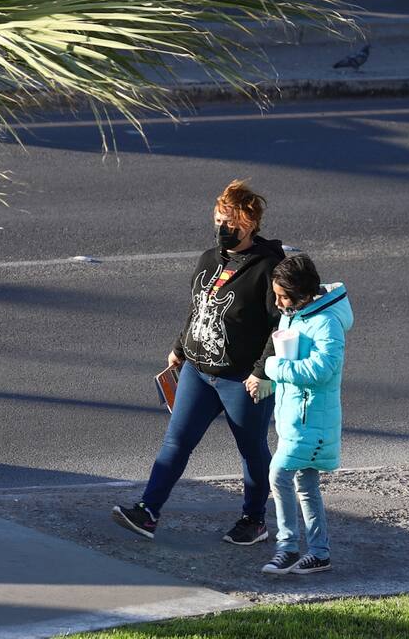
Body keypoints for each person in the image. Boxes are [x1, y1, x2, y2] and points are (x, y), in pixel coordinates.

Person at [112, 180, 284, 545]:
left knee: (252, 450)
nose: (223, 228)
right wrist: (179, 347)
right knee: (176, 441)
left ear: (250, 224)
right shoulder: (209, 259)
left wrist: (262, 371)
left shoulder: (269, 268)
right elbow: (198, 309)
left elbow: (280, 324)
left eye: (232, 223)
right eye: (220, 220)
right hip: (198, 370)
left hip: (242, 379)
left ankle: (254, 519)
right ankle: (148, 511)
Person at [250, 253, 353, 575]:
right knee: (306, 484)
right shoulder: (296, 314)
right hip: (296, 418)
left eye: (283, 296)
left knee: (278, 475)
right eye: (276, 295)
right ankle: (319, 553)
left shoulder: (326, 322)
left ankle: (287, 548)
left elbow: (324, 369)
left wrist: (273, 368)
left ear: (304, 293)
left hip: (313, 422)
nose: (278, 303)